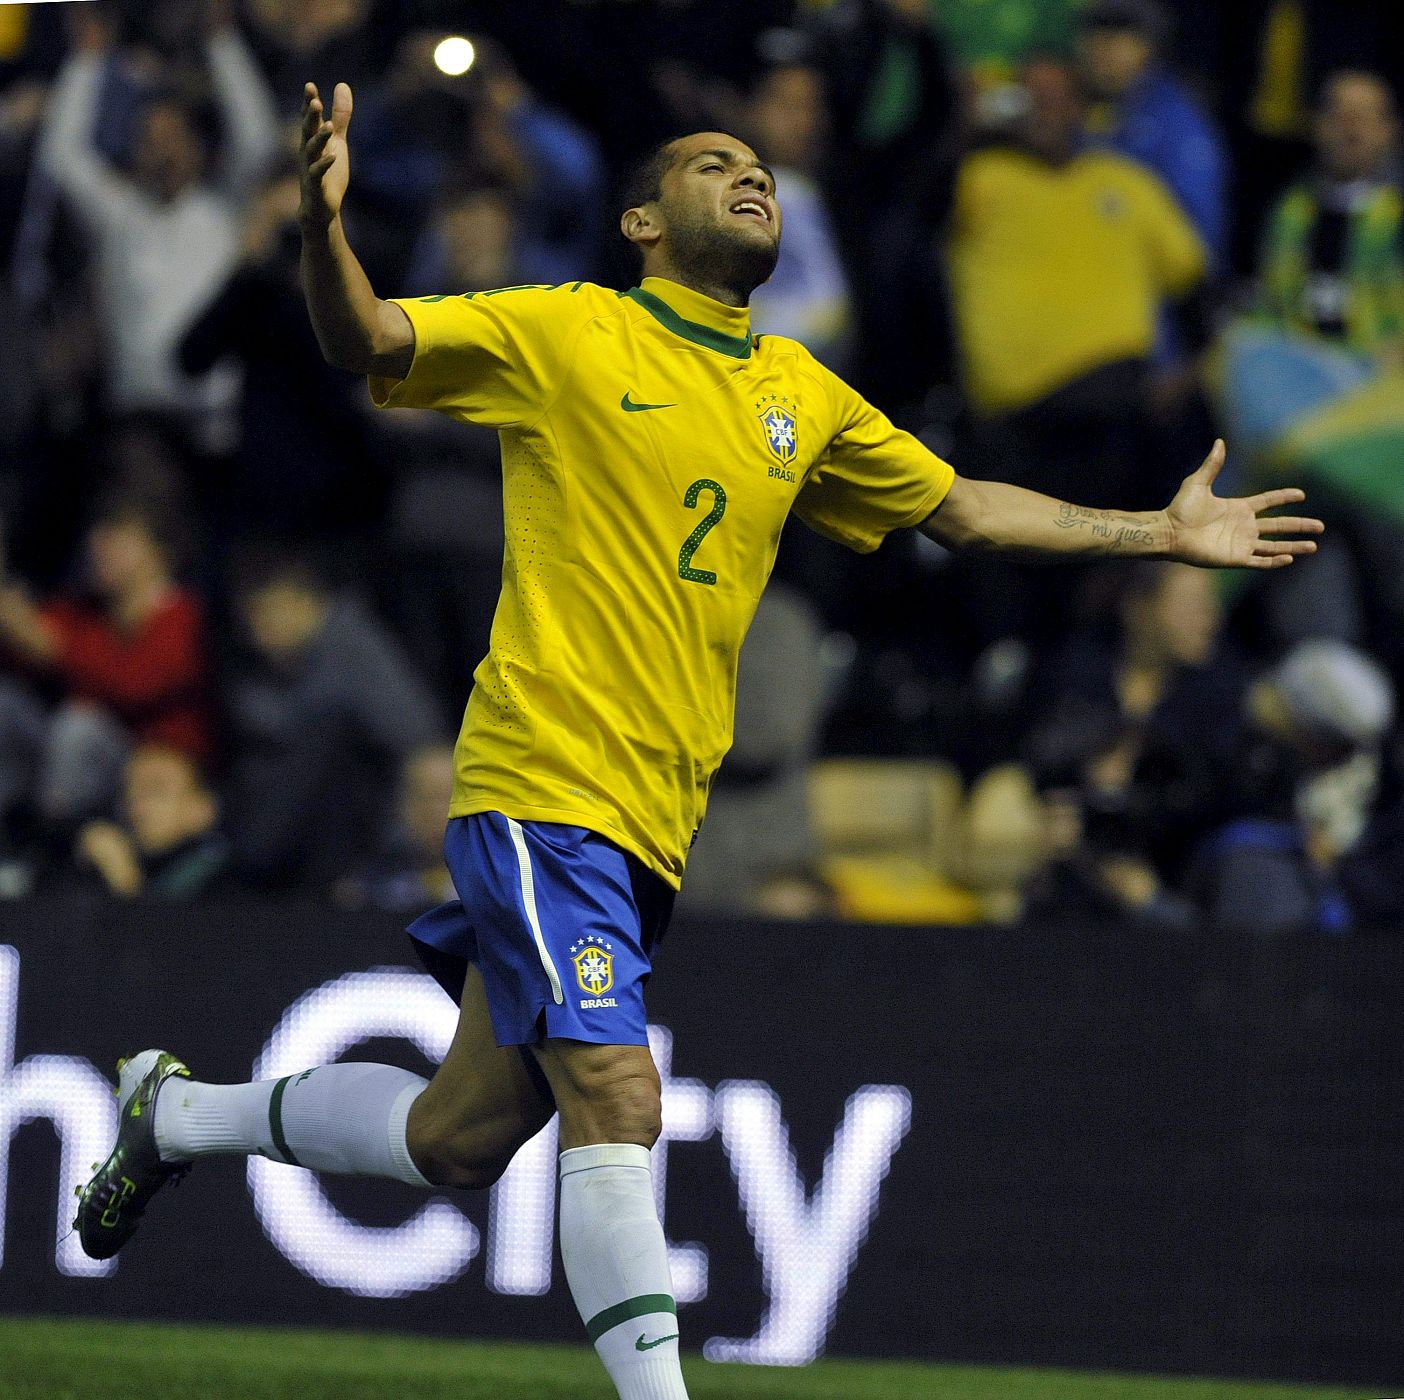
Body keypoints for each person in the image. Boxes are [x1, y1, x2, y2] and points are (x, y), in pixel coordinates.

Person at [73, 78, 1323, 1400]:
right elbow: (368, 339)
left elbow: (965, 512)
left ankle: (178, 1112)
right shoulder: (568, 333)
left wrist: (1159, 532)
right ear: (640, 223)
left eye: (763, 168)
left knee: (454, 1140)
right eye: (714, 162)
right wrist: (324, 233)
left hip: (651, 821)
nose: (752, 175)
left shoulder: (799, 394)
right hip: (546, 780)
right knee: (618, 1098)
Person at [66, 744, 235, 900]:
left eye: (156, 791)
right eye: (130, 792)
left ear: (202, 809)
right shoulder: (101, 866)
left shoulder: (225, 880)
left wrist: (125, 882)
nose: (138, 805)